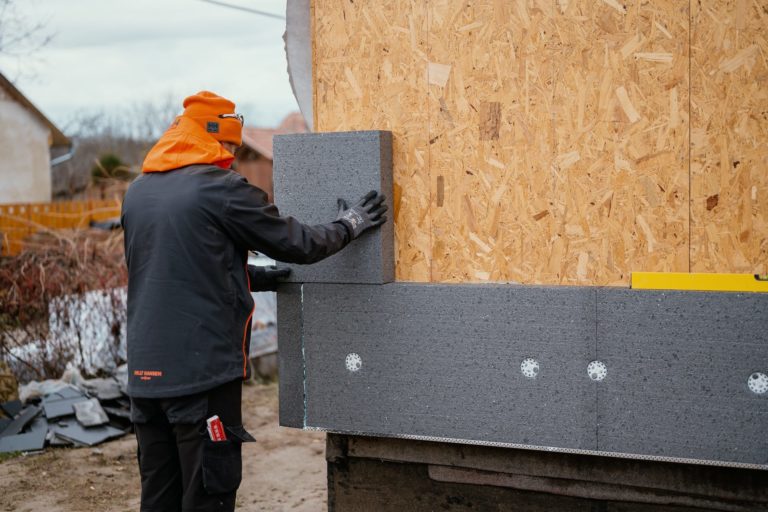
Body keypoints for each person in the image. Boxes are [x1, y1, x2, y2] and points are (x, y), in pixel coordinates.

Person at [120, 91, 387, 511]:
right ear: (217, 137)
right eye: (229, 146)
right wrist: (349, 224)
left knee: (160, 495)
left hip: (144, 378)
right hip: (201, 377)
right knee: (208, 493)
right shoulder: (220, 189)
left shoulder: (138, 193)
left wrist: (255, 277)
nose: (230, 154)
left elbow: (176, 269)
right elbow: (297, 243)